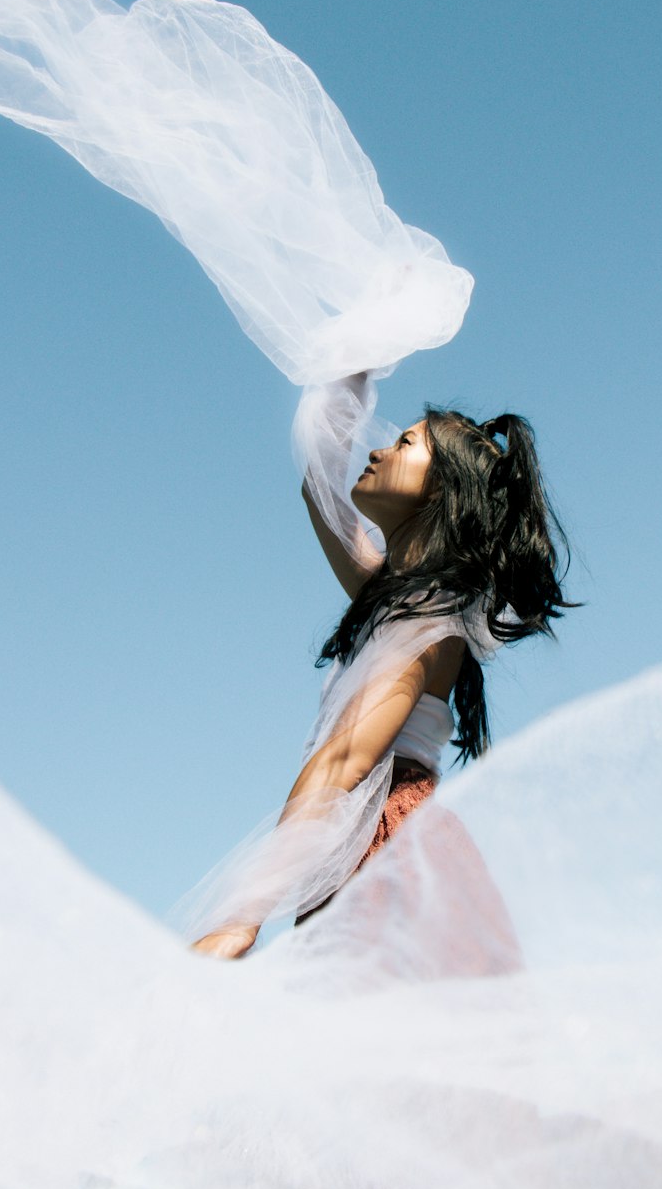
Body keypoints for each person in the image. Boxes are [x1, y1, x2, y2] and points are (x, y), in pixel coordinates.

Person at [188, 376, 579, 960]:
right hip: (364, 842)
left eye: (405, 445)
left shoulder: (430, 629)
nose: (378, 449)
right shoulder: (393, 598)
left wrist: (243, 915)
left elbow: (343, 759)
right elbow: (317, 484)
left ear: (445, 489)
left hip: (384, 850)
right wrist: (358, 355)